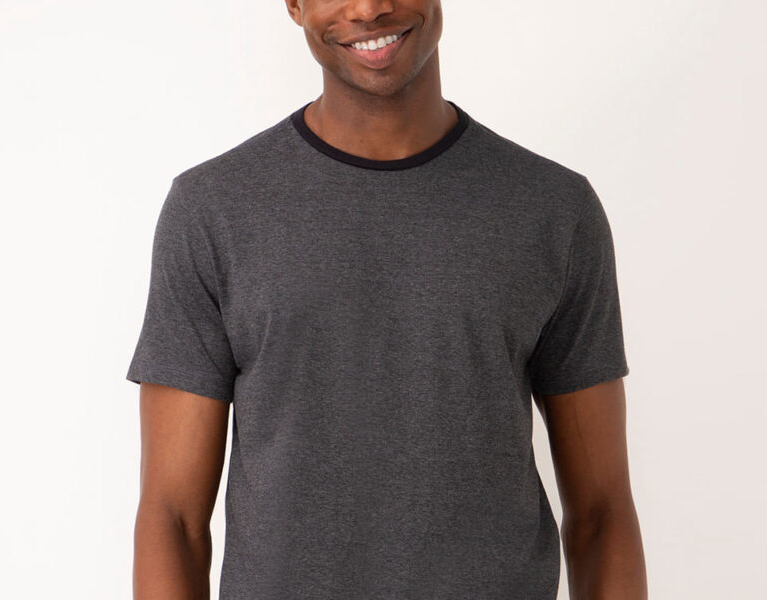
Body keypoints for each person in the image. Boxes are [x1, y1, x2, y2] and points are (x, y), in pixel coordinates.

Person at [125, 1, 648, 598]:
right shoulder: (211, 211)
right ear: (294, 5)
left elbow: (602, 512)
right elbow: (172, 518)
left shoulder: (555, 210)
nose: (371, 8)